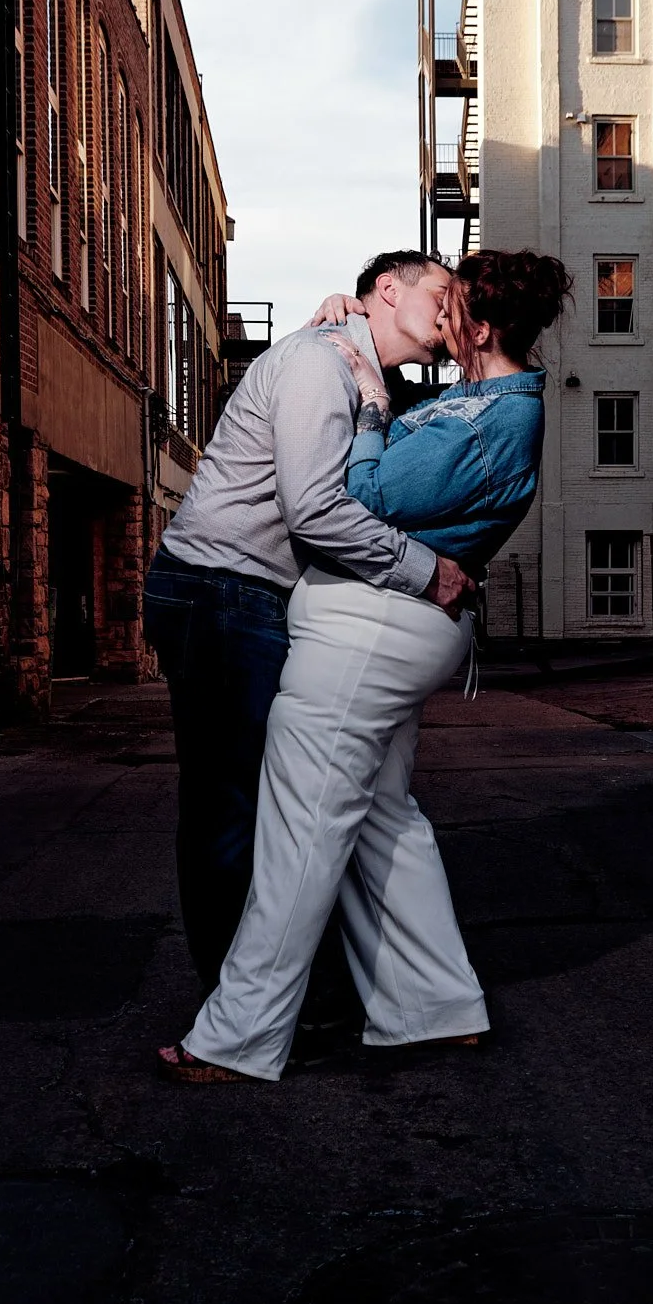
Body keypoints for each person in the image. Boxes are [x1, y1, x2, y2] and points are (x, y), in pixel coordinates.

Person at [159, 248, 574, 1084]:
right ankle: (433, 1004)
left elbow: (361, 500)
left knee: (298, 829)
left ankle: (238, 1037)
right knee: (381, 819)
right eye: (437, 297)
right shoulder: (462, 398)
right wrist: (349, 324)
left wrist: (373, 397)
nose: (442, 317)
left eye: (454, 303)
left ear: (479, 325)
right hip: (347, 619)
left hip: (372, 631)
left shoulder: (487, 416)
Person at [142, 251, 473, 1016]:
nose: (451, 314)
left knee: (270, 802)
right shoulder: (319, 363)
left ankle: (261, 998)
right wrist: (426, 572)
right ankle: (238, 1007)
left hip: (246, 595)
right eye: (441, 296)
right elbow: (317, 512)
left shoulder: (361, 373)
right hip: (219, 594)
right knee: (236, 805)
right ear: (387, 291)